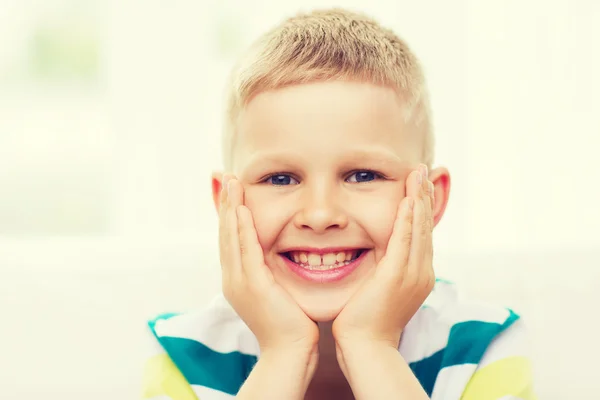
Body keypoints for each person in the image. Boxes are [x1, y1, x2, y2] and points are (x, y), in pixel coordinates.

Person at [141, 8, 536, 400]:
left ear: (430, 201)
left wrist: (371, 346)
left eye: (362, 175)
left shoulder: (482, 348)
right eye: (280, 178)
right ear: (227, 202)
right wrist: (284, 352)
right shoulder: (183, 357)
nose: (320, 215)